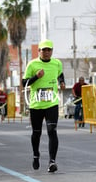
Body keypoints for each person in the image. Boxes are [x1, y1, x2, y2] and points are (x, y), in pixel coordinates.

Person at [22, 39, 65, 173]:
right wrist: (36, 77)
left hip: (52, 102)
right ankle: (36, 155)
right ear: (39, 51)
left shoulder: (57, 63)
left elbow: (60, 74)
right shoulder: (32, 64)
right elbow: (24, 83)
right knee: (37, 133)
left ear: (51, 51)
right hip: (36, 104)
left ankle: (52, 161)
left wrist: (62, 82)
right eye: (43, 50)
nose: (46, 52)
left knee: (52, 130)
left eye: (49, 50)